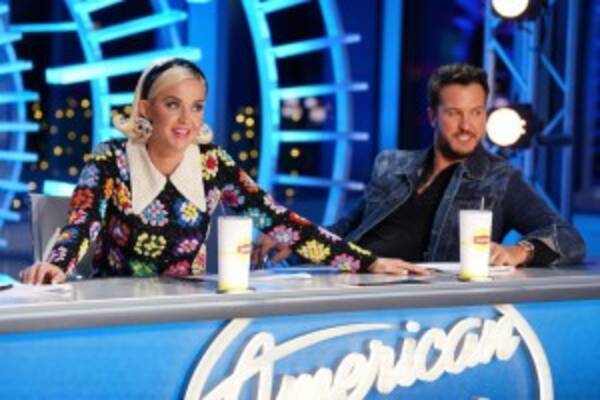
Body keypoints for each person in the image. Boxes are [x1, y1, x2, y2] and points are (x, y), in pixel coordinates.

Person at [20, 57, 429, 284]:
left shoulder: (213, 163)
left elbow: (279, 222)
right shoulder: (110, 159)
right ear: (145, 107)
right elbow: (81, 225)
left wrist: (367, 262)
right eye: (173, 104)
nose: (187, 119)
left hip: (191, 310)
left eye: (196, 106)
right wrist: (57, 265)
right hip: (115, 306)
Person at [256, 63, 585, 267]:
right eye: (454, 113)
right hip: (346, 276)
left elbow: (568, 237)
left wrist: (519, 252)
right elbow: (346, 229)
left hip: (416, 304)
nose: (467, 126)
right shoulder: (391, 163)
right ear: (432, 116)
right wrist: (295, 237)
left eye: (476, 113)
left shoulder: (500, 179)